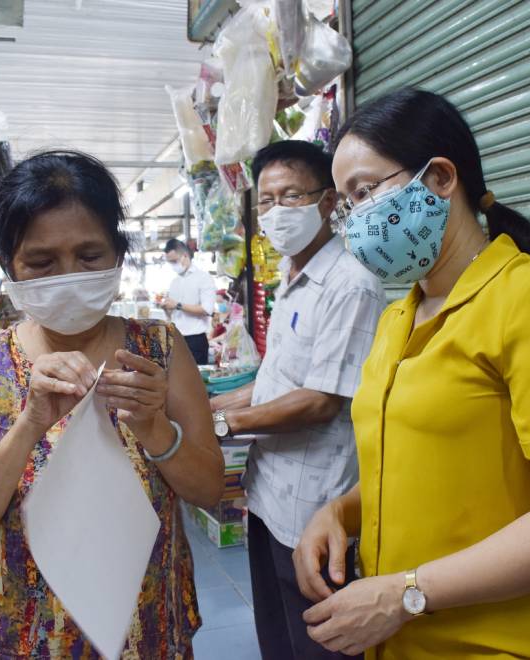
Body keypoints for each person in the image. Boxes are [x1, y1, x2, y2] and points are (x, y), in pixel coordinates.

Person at [292, 88, 530, 659]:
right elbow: (413, 464)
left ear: (441, 178)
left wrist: (405, 595)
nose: (353, 222)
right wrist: (338, 512)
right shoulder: (399, 315)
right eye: (345, 207)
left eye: (364, 192)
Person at [0, 151, 224, 658]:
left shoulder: (159, 348)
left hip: (144, 629)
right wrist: (29, 425)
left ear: (118, 255)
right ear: (10, 269)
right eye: (42, 263)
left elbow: (210, 489)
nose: (68, 275)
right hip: (12, 635)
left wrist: (155, 429)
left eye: (89, 257)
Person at [209, 140, 386, 660]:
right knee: (277, 636)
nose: (276, 213)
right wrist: (209, 405)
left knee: (317, 640)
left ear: (327, 203)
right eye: (266, 202)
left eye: (290, 197)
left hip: (313, 508)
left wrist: (224, 426)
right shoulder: (290, 280)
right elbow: (276, 378)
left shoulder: (350, 284)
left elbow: (320, 401)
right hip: (267, 495)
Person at [163, 239, 216, 365]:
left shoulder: (203, 278)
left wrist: (177, 305)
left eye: (174, 261)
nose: (172, 265)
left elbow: (206, 310)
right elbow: (173, 315)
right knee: (177, 380)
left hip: (195, 340)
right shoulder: (174, 282)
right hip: (176, 338)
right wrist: (166, 309)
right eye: (169, 262)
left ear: (185, 256)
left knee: (196, 381)